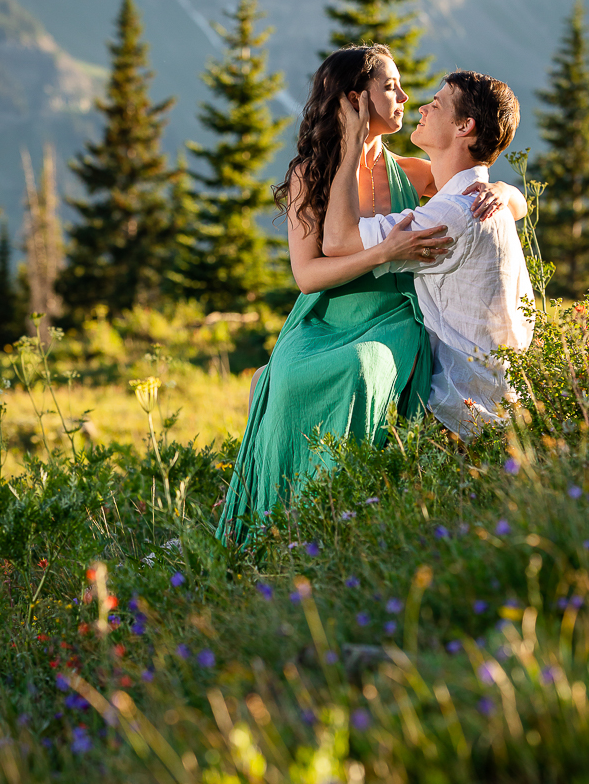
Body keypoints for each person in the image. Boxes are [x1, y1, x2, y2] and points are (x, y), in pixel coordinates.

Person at [216, 44, 505, 544]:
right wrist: (383, 251)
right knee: (282, 379)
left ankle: (338, 511)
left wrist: (507, 194)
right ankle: (278, 520)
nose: (404, 96)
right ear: (355, 100)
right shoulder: (311, 175)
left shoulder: (412, 173)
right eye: (390, 86)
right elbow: (308, 275)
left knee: (362, 367)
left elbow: (473, 188)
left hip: (394, 314)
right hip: (325, 316)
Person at [322, 70, 535, 437]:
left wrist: (353, 144)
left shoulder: (451, 213)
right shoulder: (479, 200)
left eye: (436, 105)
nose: (421, 107)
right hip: (495, 400)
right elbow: (519, 204)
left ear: (463, 126)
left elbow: (338, 241)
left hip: (457, 411)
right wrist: (507, 189)